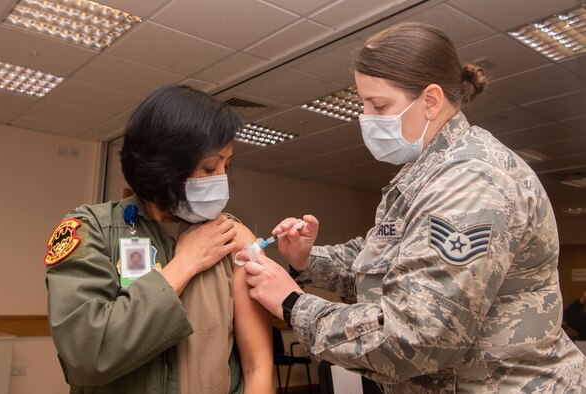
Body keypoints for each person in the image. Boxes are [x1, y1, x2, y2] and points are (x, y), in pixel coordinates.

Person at [240, 22, 586, 392]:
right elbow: (384, 259)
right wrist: (308, 260)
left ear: (431, 101)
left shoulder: (471, 181)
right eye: (363, 104)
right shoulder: (426, 171)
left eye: (379, 105)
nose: (366, 117)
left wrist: (291, 302)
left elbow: (416, 338)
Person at [44, 85, 274, 394]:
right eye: (209, 167)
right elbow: (87, 355)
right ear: (166, 165)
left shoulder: (231, 236)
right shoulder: (93, 229)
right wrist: (185, 264)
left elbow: (257, 366)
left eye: (226, 166)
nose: (221, 179)